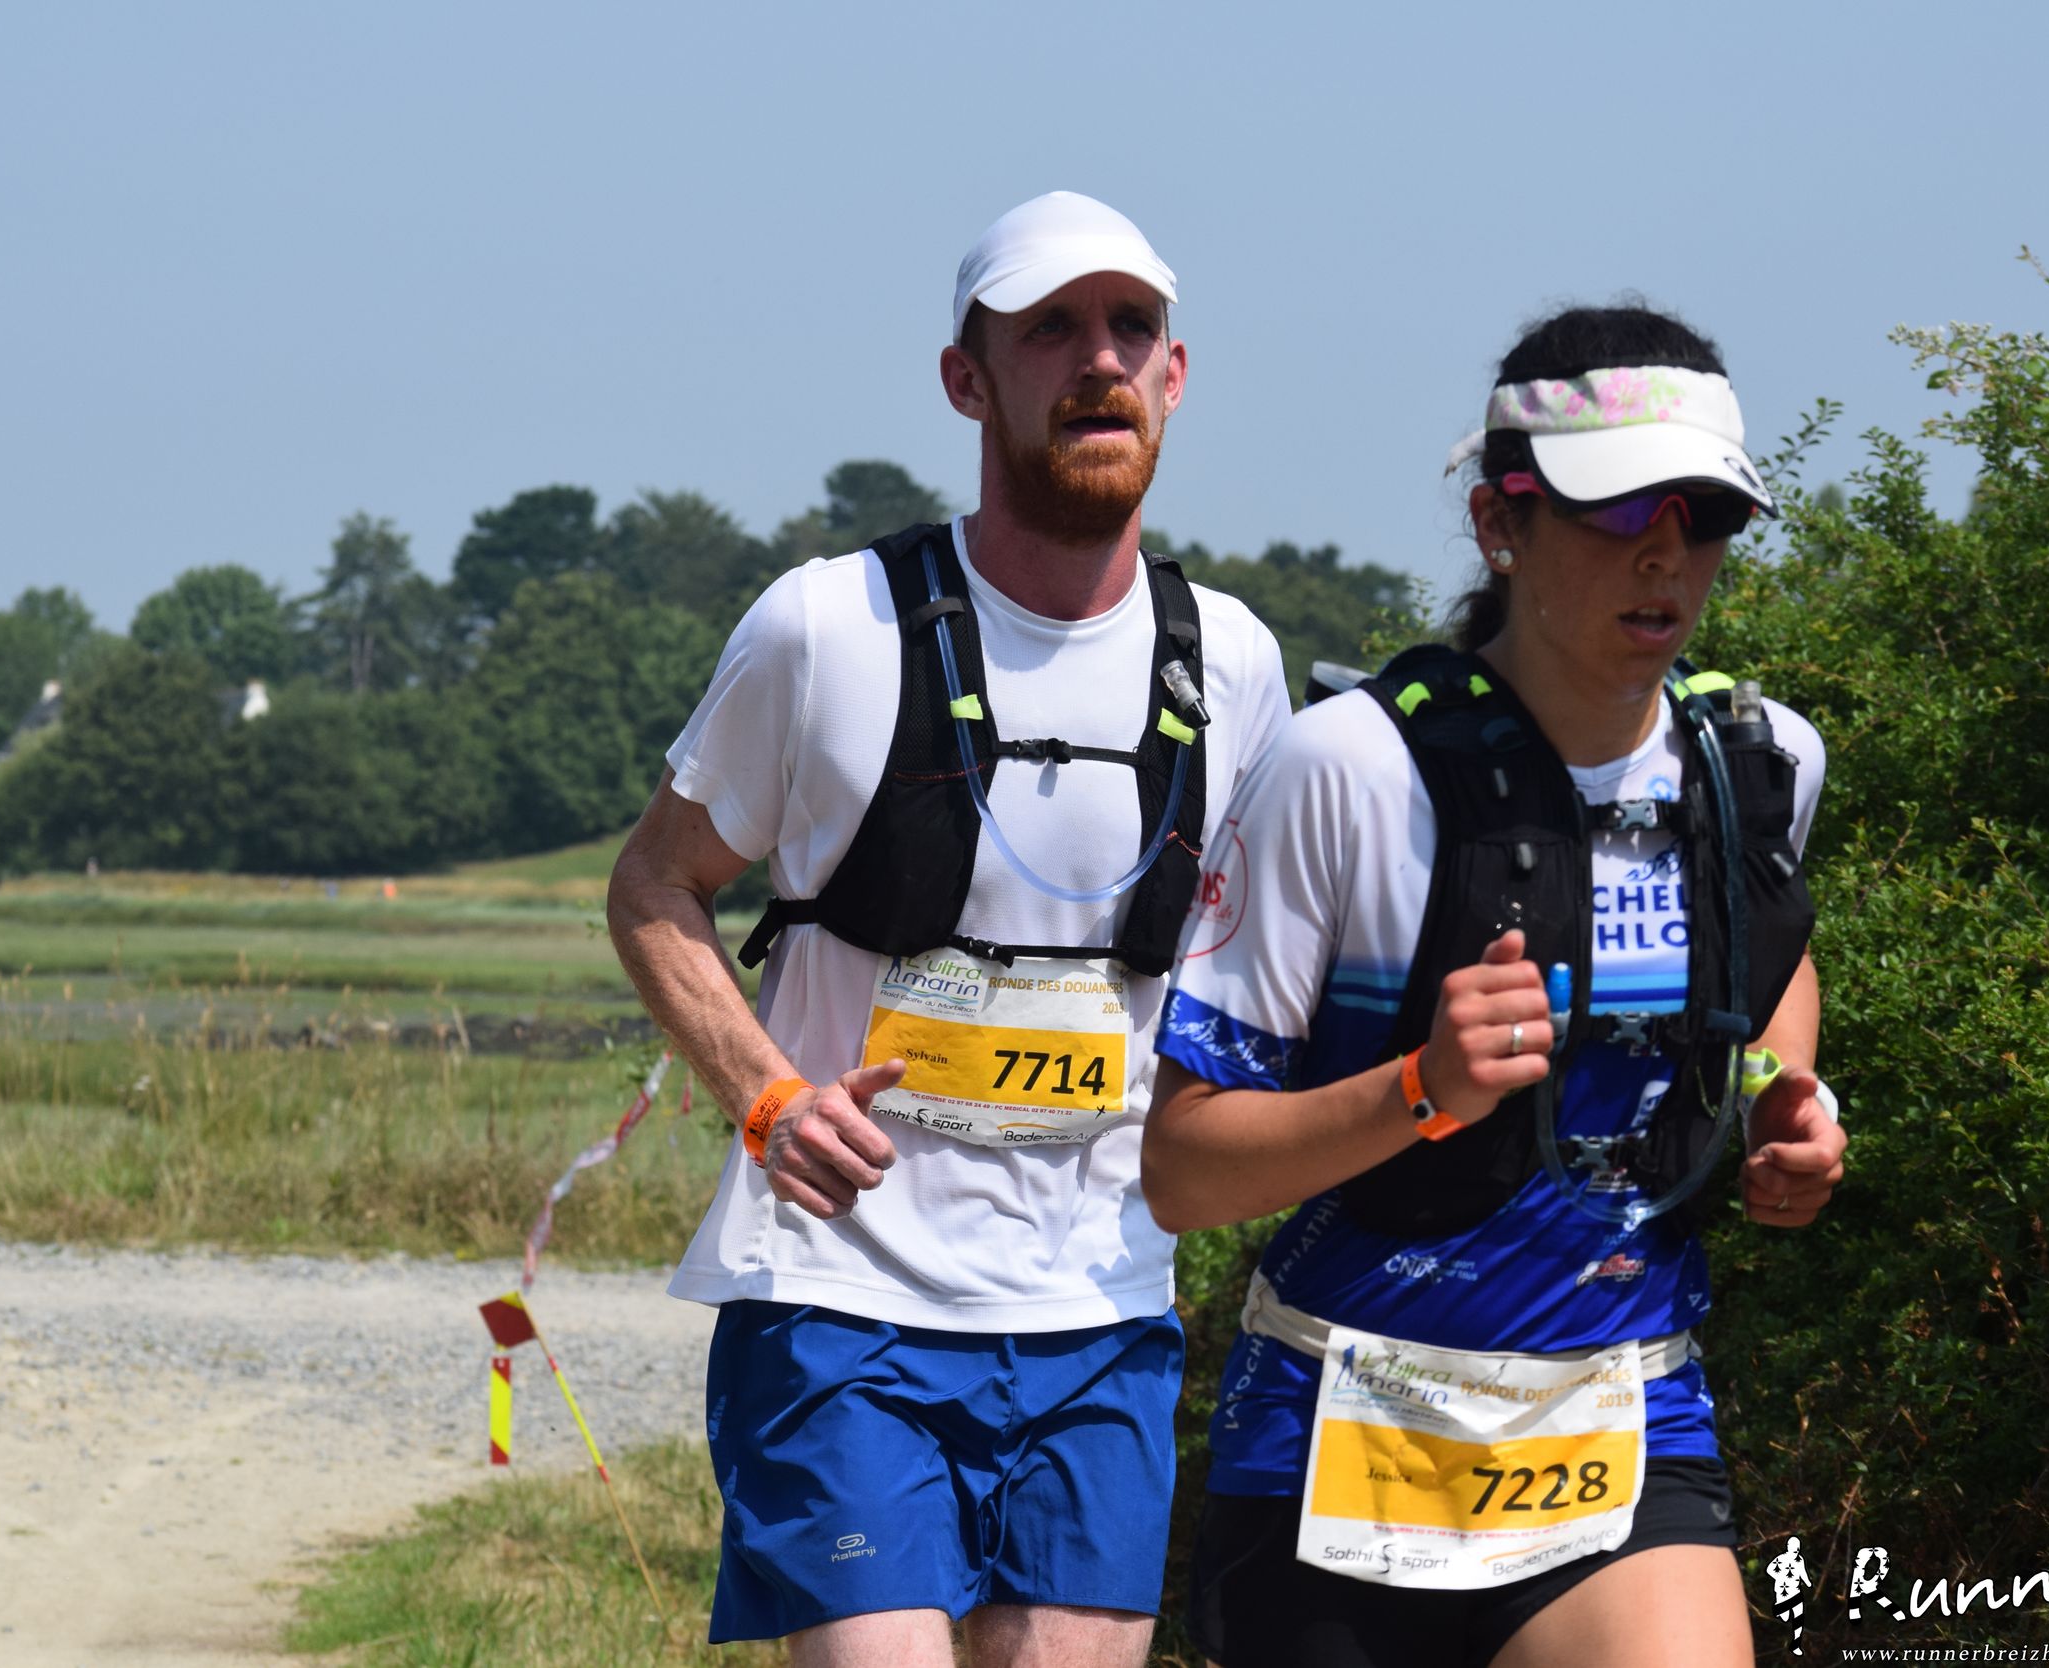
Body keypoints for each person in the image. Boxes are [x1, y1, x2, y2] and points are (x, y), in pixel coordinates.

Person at [607, 190, 1291, 1668]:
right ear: (965, 380)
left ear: (1175, 377)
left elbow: (1256, 979)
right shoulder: (826, 628)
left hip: (1102, 1311)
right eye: (1050, 329)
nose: (1098, 361)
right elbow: (655, 885)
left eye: (1131, 329)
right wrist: (766, 1098)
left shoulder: (1233, 664)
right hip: (841, 1299)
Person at [1142, 305, 1850, 1668]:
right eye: (1617, 507)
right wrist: (1422, 1088)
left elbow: (1769, 962)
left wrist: (1780, 1096)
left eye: (1704, 513)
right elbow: (1181, 1171)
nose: (1665, 553)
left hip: (1623, 1420)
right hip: (1346, 1432)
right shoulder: (1348, 772)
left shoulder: (1757, 765)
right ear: (1498, 522)